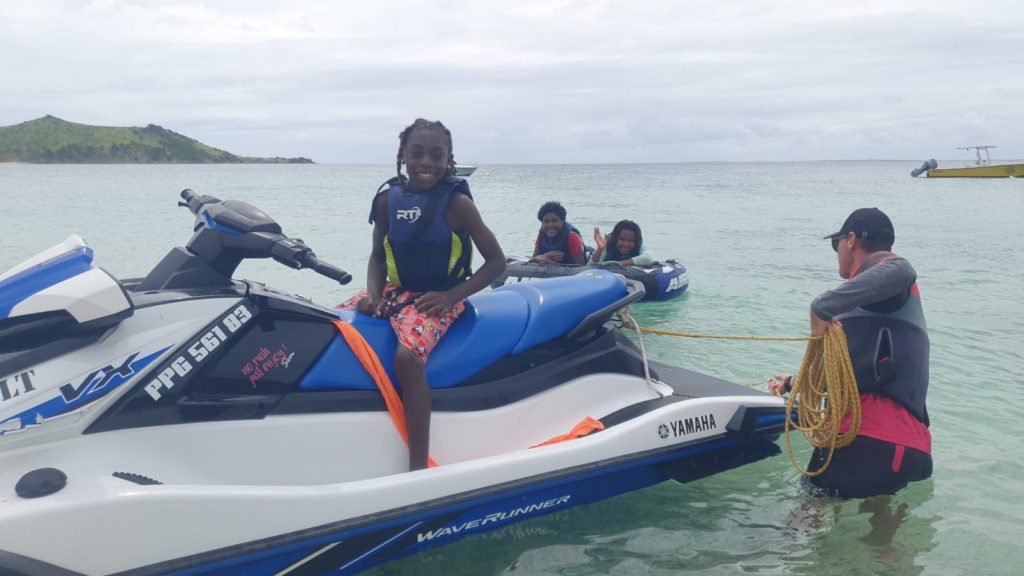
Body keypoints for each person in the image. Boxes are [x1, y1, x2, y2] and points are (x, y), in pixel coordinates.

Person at [342, 118, 505, 471]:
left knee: (407, 359)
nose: (426, 162)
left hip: (440, 297)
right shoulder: (386, 201)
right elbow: (377, 256)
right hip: (395, 290)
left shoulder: (457, 204)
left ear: (448, 159)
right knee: (333, 323)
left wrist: (451, 297)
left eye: (436, 154)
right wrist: (373, 294)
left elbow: (496, 262)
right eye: (417, 153)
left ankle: (417, 466)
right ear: (403, 155)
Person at [768, 207, 932, 498]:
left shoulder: (888, 271)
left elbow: (901, 269)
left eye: (837, 244)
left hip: (865, 439)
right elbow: (847, 377)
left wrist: (822, 306)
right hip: (910, 450)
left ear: (852, 240)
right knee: (881, 522)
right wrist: (793, 383)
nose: (837, 252)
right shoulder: (870, 299)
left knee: (808, 513)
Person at [532, 201, 586, 265]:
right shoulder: (542, 233)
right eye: (546, 221)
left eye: (554, 221)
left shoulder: (572, 236)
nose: (550, 225)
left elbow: (581, 267)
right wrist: (546, 256)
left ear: (563, 221)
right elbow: (533, 260)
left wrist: (548, 261)